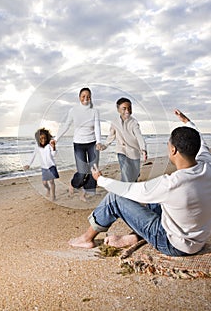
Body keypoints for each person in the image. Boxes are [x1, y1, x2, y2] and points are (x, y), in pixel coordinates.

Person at [69, 109, 211, 256]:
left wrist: (101, 180)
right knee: (159, 201)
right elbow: (200, 141)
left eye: (168, 145)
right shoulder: (207, 165)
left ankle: (87, 238)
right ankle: (135, 236)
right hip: (198, 241)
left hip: (172, 244)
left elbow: (130, 190)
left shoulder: (171, 184)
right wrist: (187, 121)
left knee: (115, 198)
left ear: (173, 150)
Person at [55, 87, 102, 202]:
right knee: (82, 172)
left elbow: (97, 127)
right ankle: (73, 184)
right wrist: (56, 139)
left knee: (93, 170)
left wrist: (99, 141)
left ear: (91, 97)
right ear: (79, 97)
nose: (86, 98)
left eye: (88, 96)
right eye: (83, 96)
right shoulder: (73, 111)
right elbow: (66, 125)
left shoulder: (95, 111)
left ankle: (86, 193)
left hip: (92, 143)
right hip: (79, 144)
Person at [101, 97, 147, 182]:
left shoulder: (134, 122)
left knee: (134, 176)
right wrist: (105, 145)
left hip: (134, 152)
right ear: (118, 109)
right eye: (124, 108)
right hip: (121, 151)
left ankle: (134, 180)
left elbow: (139, 136)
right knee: (125, 173)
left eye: (129, 108)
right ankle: (125, 192)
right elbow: (111, 135)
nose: (127, 111)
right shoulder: (115, 122)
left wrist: (143, 149)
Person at [24, 128, 59, 202]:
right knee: (44, 183)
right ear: (38, 139)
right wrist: (29, 164)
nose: (43, 140)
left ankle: (53, 196)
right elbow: (33, 155)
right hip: (44, 167)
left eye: (44, 138)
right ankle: (48, 189)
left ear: (47, 138)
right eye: (41, 139)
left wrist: (54, 147)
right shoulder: (37, 146)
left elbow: (54, 155)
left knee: (51, 182)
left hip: (51, 166)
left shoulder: (49, 145)